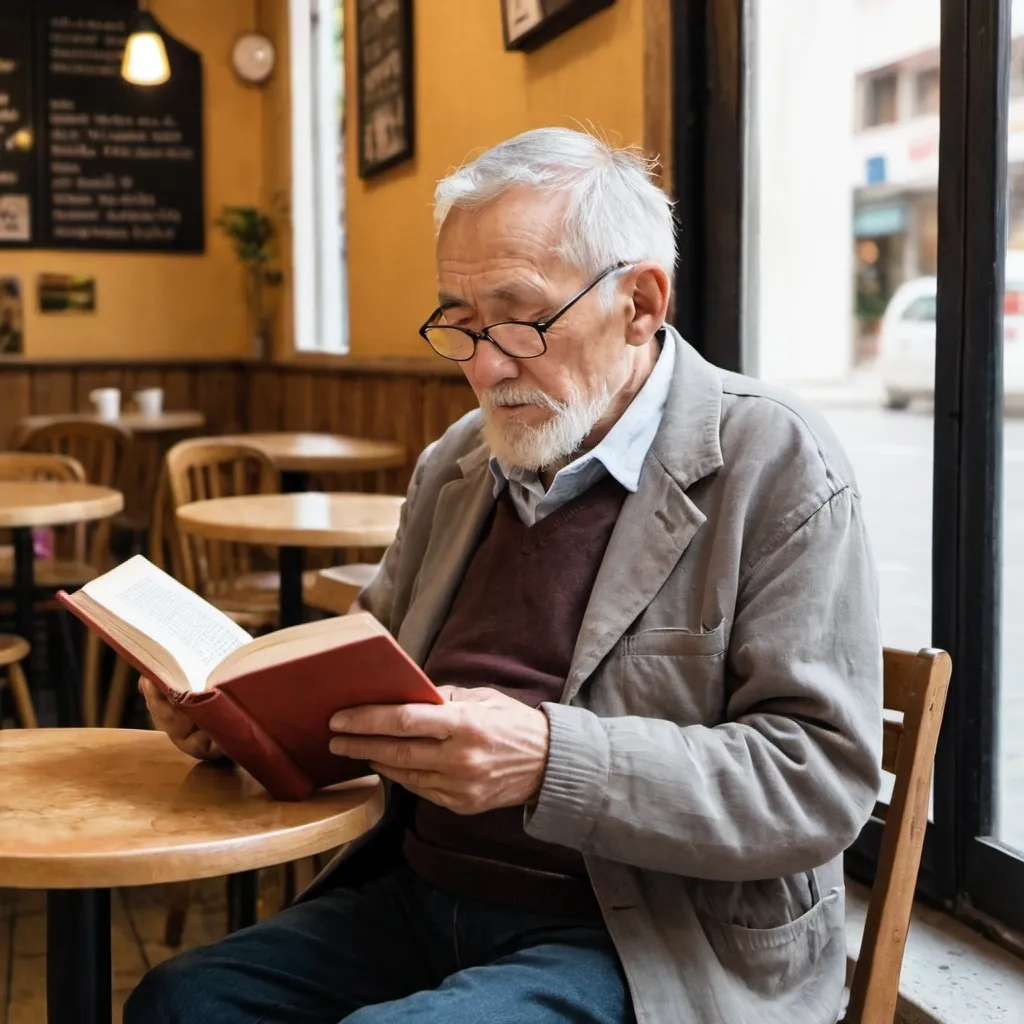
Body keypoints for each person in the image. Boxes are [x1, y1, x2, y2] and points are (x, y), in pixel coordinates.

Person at [125, 127, 883, 1024]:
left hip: (643, 937)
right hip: (417, 893)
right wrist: (232, 715)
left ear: (640, 302)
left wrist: (550, 759)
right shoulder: (458, 465)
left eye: (521, 320)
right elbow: (362, 689)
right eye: (459, 322)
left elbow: (819, 779)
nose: (485, 365)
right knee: (182, 1001)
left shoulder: (773, 461)